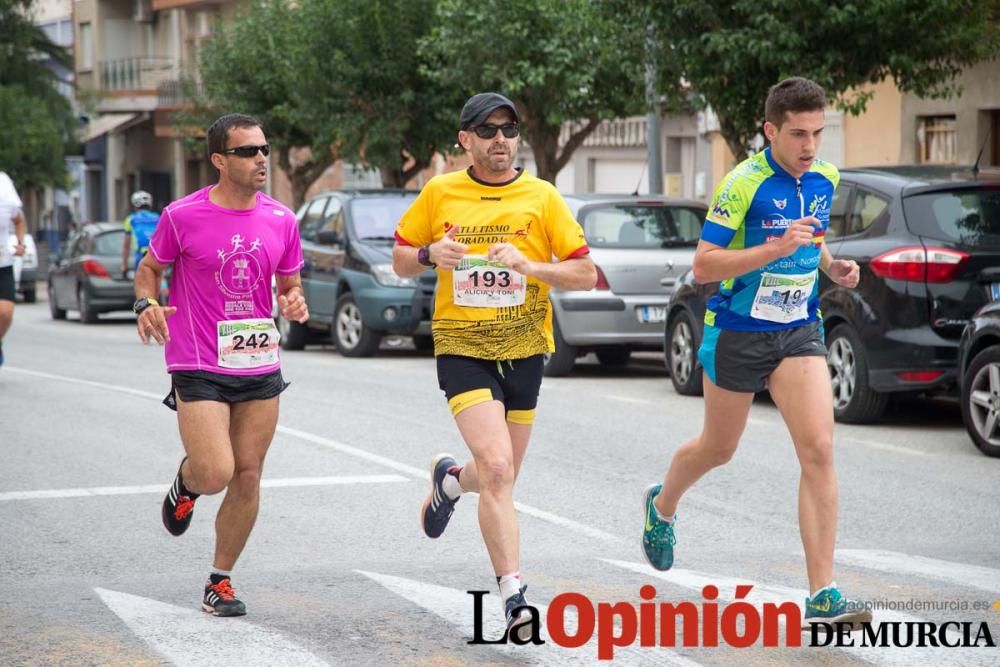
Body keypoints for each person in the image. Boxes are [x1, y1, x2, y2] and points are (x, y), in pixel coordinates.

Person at [641, 77, 872, 629]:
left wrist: (830, 265)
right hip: (739, 329)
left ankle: (823, 594)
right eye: (798, 133)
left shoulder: (825, 177)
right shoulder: (742, 183)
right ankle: (662, 505)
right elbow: (703, 265)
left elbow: (811, 240)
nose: (810, 145)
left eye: (818, 133)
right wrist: (773, 247)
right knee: (718, 449)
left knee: (818, 448)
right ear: (771, 130)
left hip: (798, 328)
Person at [392, 92, 597, 641]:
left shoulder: (542, 197)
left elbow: (585, 275)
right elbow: (400, 257)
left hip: (526, 347)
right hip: (462, 346)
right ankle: (514, 596)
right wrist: (433, 254)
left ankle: (452, 484)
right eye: (487, 131)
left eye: (508, 130)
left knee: (498, 475)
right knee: (501, 470)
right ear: (465, 140)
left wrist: (530, 265)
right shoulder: (440, 192)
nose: (501, 140)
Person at [134, 113, 308, 617]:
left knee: (248, 475)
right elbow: (149, 270)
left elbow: (288, 286)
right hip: (198, 359)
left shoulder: (282, 219)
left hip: (258, 361)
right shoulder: (181, 216)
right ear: (218, 160)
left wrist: (294, 301)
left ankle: (220, 581)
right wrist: (146, 305)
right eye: (248, 151)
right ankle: (186, 484)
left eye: (264, 149)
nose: (261, 159)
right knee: (216, 471)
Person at [0, 171, 27, 368]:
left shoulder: (4, 189)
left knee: (5, 313)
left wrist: (20, 242)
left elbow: (19, 221)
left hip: (3, 263)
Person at [121, 190, 160, 276]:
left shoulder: (131, 219)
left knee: (141, 285)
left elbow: (126, 246)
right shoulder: (157, 217)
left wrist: (124, 265)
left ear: (135, 205)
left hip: (141, 256)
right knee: (160, 280)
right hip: (156, 255)